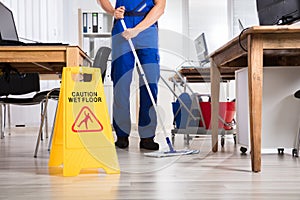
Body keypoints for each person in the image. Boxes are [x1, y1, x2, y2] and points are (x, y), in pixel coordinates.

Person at [97, 0, 166, 150]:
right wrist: (112, 11)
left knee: (150, 83)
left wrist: (137, 30)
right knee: (121, 82)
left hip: (147, 29)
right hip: (122, 26)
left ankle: (147, 136)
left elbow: (160, 8)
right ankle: (121, 135)